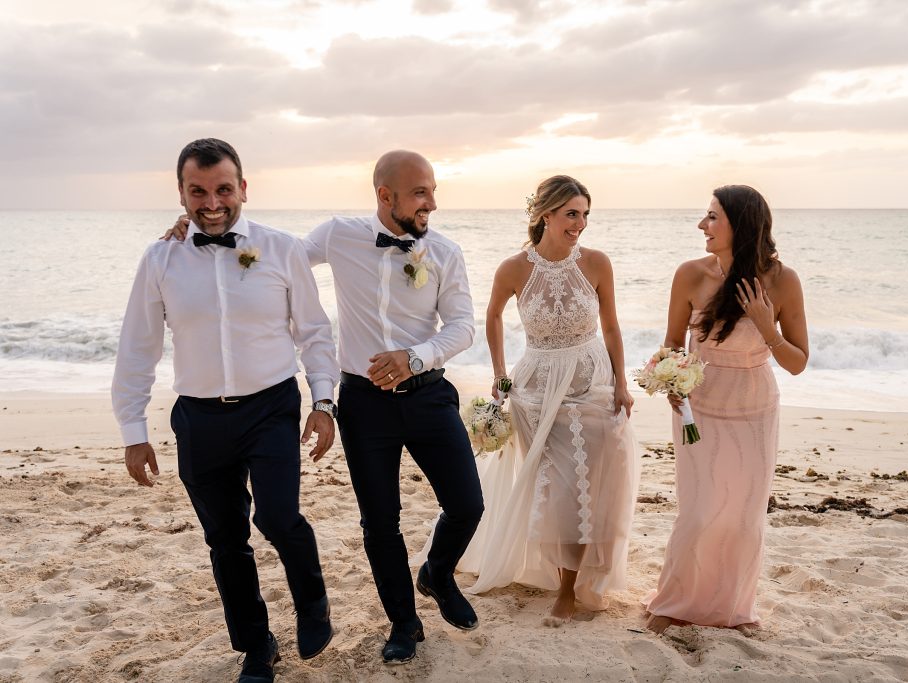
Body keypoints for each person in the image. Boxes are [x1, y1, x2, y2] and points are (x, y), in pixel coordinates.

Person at [169, 150, 484, 664]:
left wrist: (415, 357)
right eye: (421, 192)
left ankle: (438, 573)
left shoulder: (445, 252)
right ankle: (404, 623)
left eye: (432, 190)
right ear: (386, 196)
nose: (432, 202)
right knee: (380, 522)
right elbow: (276, 253)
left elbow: (462, 326)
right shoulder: (339, 234)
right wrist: (203, 222)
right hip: (362, 404)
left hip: (428, 394)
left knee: (469, 504)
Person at [113, 138, 339, 683]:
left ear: (243, 189)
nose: (212, 203)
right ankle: (256, 646)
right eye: (198, 191)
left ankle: (314, 607)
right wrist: (132, 428)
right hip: (198, 417)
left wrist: (324, 400)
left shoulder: (281, 249)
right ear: (182, 194)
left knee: (278, 517)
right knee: (225, 539)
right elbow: (137, 346)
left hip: (271, 408)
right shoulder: (159, 258)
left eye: (222, 189)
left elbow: (314, 332)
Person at [455, 174, 640, 625]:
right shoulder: (514, 268)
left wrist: (621, 382)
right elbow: (493, 316)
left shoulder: (596, 263)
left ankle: (573, 586)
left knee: (590, 485)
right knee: (559, 489)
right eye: (571, 214)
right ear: (546, 215)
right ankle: (564, 586)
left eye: (585, 215)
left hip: (592, 379)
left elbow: (612, 327)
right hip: (537, 385)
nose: (580, 224)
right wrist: (500, 374)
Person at [644, 184, 809, 633]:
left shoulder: (782, 281)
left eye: (713, 216)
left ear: (742, 224)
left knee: (743, 514)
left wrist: (765, 327)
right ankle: (674, 601)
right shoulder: (690, 274)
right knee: (697, 510)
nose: (703, 225)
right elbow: (671, 346)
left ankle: (734, 608)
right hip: (699, 406)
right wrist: (668, 380)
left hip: (755, 407)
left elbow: (798, 362)